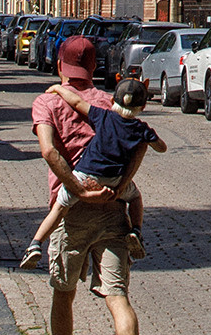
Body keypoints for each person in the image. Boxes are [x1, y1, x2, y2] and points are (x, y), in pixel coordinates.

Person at [41, 68, 151, 335]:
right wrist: (121, 189)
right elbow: (139, 151)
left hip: (72, 213)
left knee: (64, 293)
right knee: (118, 296)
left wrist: (76, 189)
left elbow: (49, 152)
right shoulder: (111, 103)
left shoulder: (48, 100)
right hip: (113, 210)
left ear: (61, 66)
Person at [22, 69, 164, 266]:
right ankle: (136, 231)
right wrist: (151, 137)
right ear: (144, 105)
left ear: (114, 100)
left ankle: (35, 244)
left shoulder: (104, 116)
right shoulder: (141, 129)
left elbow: (77, 102)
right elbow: (161, 148)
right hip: (114, 182)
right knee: (135, 197)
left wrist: (58, 88)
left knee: (60, 208)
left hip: (85, 175)